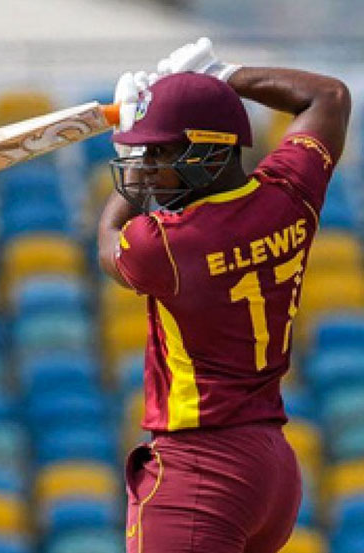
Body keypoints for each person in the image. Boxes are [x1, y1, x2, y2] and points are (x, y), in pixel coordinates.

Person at [97, 38, 351, 553]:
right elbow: (328, 97)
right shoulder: (289, 194)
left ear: (210, 152)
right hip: (271, 467)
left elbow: (108, 246)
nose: (149, 164)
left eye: (162, 151)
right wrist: (226, 74)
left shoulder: (166, 242)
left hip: (200, 471)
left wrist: (129, 178)